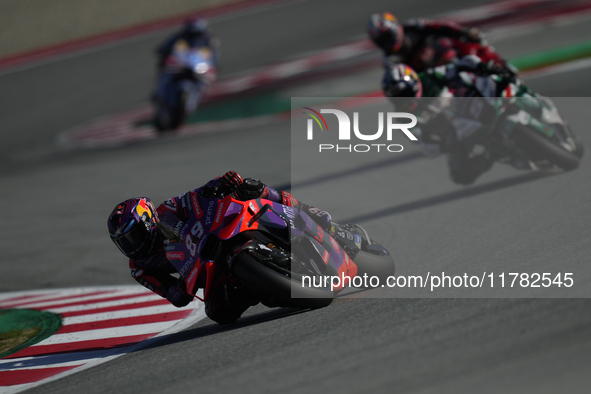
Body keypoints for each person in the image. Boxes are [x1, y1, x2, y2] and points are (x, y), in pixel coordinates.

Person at [107, 171, 361, 324]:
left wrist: (221, 183)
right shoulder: (139, 269)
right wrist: (183, 288)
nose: (134, 246)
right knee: (219, 313)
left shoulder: (168, 209)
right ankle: (269, 286)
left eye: (135, 235)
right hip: (207, 268)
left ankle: (315, 217)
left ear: (148, 220)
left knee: (251, 189)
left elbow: (198, 194)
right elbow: (173, 296)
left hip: (216, 234)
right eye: (125, 243)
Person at [382, 56, 519, 184]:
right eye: (397, 98)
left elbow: (460, 64)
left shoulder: (431, 76)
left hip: (466, 104)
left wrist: (480, 66)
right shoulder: (402, 118)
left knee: (494, 77)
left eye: (405, 94)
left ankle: (521, 91)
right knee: (459, 175)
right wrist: (443, 144)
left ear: (414, 82)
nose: (404, 100)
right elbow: (422, 143)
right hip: (454, 134)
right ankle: (490, 154)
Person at [367, 12, 504, 73]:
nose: (386, 43)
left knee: (472, 46)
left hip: (450, 55)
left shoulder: (414, 26)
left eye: (387, 37)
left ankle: (502, 69)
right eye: (381, 41)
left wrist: (464, 33)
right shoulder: (390, 61)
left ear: (395, 28)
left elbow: (441, 27)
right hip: (437, 80)